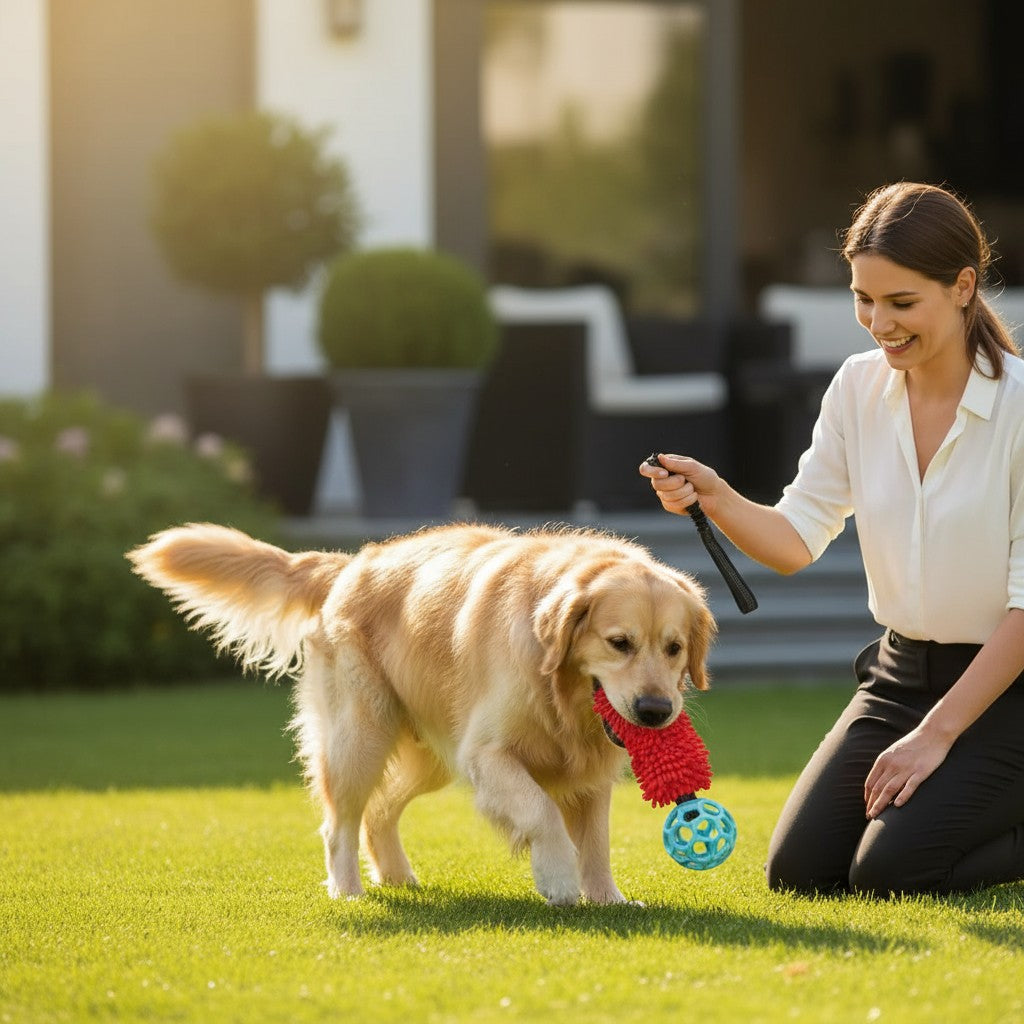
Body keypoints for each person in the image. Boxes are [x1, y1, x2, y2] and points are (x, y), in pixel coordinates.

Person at [640, 182, 1024, 897]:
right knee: (801, 873)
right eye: (863, 300)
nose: (878, 323)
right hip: (899, 677)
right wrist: (716, 496)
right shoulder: (856, 388)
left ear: (964, 287)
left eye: (901, 302)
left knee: (892, 871)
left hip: (1008, 690)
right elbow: (795, 539)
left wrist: (938, 735)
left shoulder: (1020, 411)